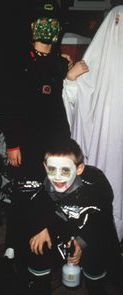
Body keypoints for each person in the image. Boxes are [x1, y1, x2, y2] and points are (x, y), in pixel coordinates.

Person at [6, 138, 123, 295]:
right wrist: (41, 227)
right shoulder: (41, 184)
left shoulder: (96, 184)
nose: (58, 177)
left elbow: (101, 220)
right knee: (37, 244)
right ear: (45, 167)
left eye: (65, 170)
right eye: (52, 169)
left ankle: (96, 285)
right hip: (60, 228)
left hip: (90, 229)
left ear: (79, 169)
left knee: (97, 260)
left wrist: (81, 242)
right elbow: (30, 208)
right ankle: (39, 285)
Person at [62, 5, 123, 242]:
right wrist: (70, 78)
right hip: (98, 141)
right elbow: (73, 101)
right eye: (117, 22)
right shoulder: (91, 64)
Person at [2, 0, 70, 182]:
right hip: (26, 143)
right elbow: (9, 105)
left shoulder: (61, 64)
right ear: (33, 26)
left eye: (52, 23)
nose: (47, 28)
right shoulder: (17, 61)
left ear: (59, 29)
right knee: (25, 192)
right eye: (42, 22)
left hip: (54, 142)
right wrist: (13, 144)